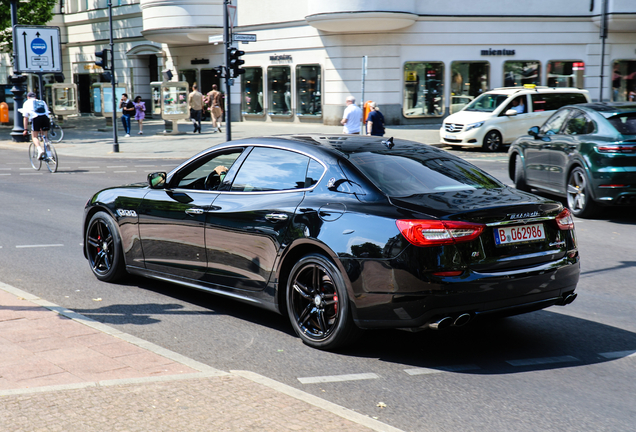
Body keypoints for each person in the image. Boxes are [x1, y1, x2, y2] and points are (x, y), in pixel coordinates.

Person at [21, 91, 51, 159]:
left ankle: (40, 150)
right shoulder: (42, 102)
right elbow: (47, 112)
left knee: (34, 136)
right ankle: (49, 154)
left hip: (36, 118)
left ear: (28, 97)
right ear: (35, 97)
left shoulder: (26, 103)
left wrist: (25, 129)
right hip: (45, 118)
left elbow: (25, 118)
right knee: (45, 137)